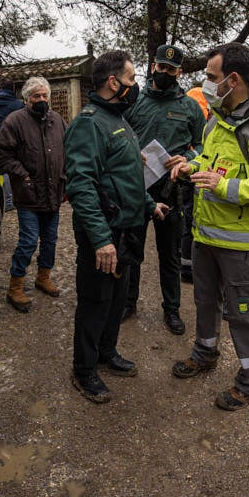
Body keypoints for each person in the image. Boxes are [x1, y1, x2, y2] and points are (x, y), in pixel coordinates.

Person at [169, 42, 249, 411]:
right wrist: (191, 166)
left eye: (211, 77)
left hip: (241, 243)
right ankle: (204, 353)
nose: (206, 84)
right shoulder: (217, 116)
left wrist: (226, 188)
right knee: (205, 301)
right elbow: (211, 160)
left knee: (243, 312)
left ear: (233, 79)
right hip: (204, 235)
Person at [63, 50, 168, 403]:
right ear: (113, 82)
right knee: (95, 302)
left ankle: (106, 353)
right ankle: (84, 369)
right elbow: (80, 185)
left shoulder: (118, 119)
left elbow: (126, 176)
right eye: (132, 78)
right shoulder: (89, 123)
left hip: (127, 230)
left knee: (115, 301)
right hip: (104, 234)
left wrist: (151, 205)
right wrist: (101, 240)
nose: (136, 85)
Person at [122, 44, 206, 335]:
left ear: (179, 72)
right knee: (131, 250)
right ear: (153, 67)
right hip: (136, 188)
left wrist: (190, 158)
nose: (165, 73)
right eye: (161, 67)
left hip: (173, 190)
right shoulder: (134, 102)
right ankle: (127, 304)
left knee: (169, 254)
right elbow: (120, 135)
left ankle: (171, 310)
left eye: (171, 70)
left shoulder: (190, 107)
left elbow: (205, 147)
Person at [0, 76, 66, 313]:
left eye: (45, 95)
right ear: (26, 99)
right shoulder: (15, 121)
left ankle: (43, 277)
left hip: (53, 194)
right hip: (28, 195)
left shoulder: (57, 121)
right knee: (27, 241)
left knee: (51, 241)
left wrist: (66, 178)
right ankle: (15, 286)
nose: (42, 100)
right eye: (37, 96)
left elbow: (69, 151)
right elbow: (2, 158)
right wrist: (22, 174)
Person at [181, 86, 211, 283]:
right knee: (191, 217)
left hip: (189, 168)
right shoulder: (205, 111)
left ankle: (186, 266)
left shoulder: (189, 101)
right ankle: (189, 266)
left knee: (187, 218)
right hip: (195, 170)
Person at [0, 78, 25, 211]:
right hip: (10, 141)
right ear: (13, 89)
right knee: (8, 169)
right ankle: (9, 200)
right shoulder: (18, 105)